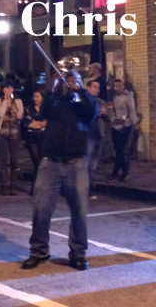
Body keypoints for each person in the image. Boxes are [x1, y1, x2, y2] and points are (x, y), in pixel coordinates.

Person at [22, 70, 99, 271]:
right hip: (50, 162)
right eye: (67, 80)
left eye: (74, 79)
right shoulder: (55, 100)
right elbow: (44, 112)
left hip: (76, 163)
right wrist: (53, 88)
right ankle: (38, 251)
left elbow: (91, 112)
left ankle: (78, 254)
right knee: (41, 209)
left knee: (79, 211)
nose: (69, 83)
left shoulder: (84, 100)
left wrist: (80, 91)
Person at [0, 80, 24, 196]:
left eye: (11, 88)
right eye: (6, 88)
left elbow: (20, 116)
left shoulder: (18, 101)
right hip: (2, 133)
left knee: (14, 160)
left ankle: (13, 185)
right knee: (3, 160)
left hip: (14, 133)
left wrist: (16, 111)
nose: (9, 90)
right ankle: (4, 185)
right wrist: (5, 102)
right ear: (3, 89)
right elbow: (0, 114)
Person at [106, 79, 138, 183]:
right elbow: (112, 111)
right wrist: (112, 120)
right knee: (118, 149)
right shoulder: (114, 97)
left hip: (125, 125)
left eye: (120, 85)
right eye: (116, 86)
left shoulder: (128, 97)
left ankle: (115, 172)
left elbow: (132, 111)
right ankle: (125, 172)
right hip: (116, 125)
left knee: (120, 148)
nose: (118, 87)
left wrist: (135, 123)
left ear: (123, 86)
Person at [22, 88, 47, 195]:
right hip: (31, 138)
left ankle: (38, 187)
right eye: (34, 96)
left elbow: (46, 123)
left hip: (43, 138)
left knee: (42, 163)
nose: (35, 99)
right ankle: (35, 187)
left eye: (37, 96)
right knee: (37, 162)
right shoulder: (28, 109)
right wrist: (40, 124)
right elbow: (27, 123)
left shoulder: (46, 109)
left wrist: (37, 123)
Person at [85, 80, 106, 199]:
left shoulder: (101, 101)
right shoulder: (84, 101)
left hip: (99, 134)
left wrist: (104, 113)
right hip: (88, 135)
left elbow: (108, 118)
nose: (97, 89)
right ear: (88, 88)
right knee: (87, 163)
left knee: (93, 165)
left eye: (98, 87)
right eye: (94, 87)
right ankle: (85, 189)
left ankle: (89, 185)